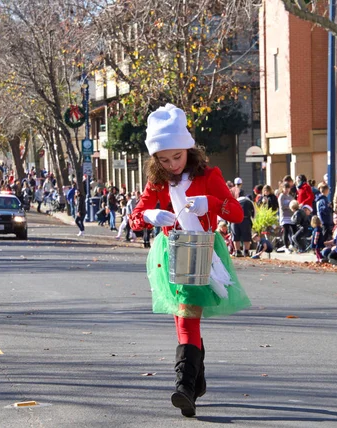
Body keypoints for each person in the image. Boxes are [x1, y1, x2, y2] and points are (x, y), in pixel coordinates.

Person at [128, 104, 250, 418]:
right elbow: (135, 220)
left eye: (177, 157)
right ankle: (196, 381)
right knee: (184, 317)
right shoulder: (157, 182)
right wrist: (150, 214)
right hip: (171, 251)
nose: (171, 165)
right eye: (163, 160)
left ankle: (185, 386)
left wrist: (209, 202)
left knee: (187, 317)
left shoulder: (210, 175)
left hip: (203, 250)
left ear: (188, 149)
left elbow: (236, 213)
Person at [278, 183, 295, 253]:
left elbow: (294, 204)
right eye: (286, 188)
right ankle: (286, 246)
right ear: (282, 188)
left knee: (294, 231)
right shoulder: (281, 196)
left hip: (291, 217)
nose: (287, 190)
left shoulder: (290, 197)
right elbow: (282, 207)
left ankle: (293, 246)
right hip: (284, 217)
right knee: (286, 231)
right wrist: (290, 207)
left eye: (288, 188)